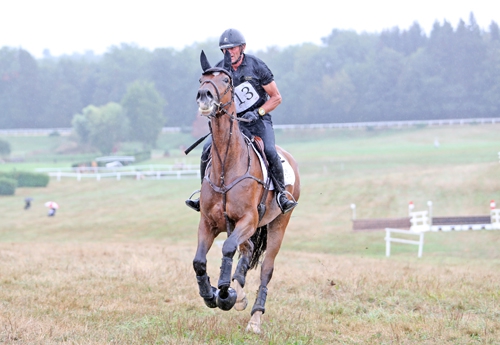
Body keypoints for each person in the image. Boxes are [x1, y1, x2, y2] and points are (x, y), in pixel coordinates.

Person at [186, 28, 297, 214]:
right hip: (233, 125)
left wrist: (259, 112)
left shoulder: (257, 66)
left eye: (232, 48)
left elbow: (276, 97)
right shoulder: (220, 69)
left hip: (259, 122)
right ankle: (203, 195)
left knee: (269, 150)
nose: (228, 52)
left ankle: (281, 195)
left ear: (242, 48)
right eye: (224, 49)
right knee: (206, 150)